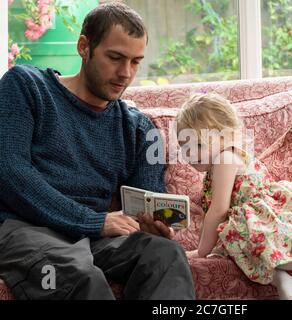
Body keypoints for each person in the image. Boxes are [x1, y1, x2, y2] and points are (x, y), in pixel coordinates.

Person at [0, 3, 195, 300]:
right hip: (28, 228)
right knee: (78, 276)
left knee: (165, 255)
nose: (125, 73)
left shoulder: (139, 128)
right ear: (84, 47)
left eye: (135, 62)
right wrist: (94, 221)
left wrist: (154, 225)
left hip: (96, 237)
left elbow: (147, 197)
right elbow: (11, 171)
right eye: (115, 58)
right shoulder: (26, 86)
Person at [176, 93, 292, 300]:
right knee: (235, 247)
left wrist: (201, 251)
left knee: (273, 251)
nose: (189, 154)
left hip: (268, 213)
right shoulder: (216, 163)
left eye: (197, 146)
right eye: (183, 147)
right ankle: (283, 280)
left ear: (224, 137)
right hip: (248, 219)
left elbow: (219, 209)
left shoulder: (225, 158)